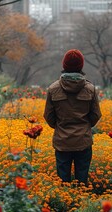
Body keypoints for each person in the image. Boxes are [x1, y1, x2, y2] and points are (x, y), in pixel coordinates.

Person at [43, 49, 102, 184]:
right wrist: (85, 125)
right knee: (82, 182)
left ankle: (66, 204)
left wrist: (59, 126)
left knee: (62, 183)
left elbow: (48, 115)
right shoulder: (90, 88)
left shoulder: (53, 89)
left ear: (64, 65)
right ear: (81, 66)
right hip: (83, 140)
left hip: (62, 141)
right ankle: (81, 202)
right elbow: (96, 114)